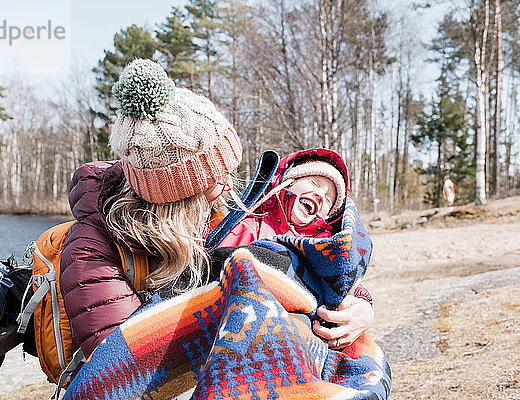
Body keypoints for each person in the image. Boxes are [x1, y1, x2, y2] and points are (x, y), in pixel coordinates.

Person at [58, 59, 371, 360]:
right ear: (179, 194)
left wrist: (359, 305)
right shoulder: (92, 250)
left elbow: (294, 268)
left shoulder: (213, 215)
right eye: (216, 179)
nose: (229, 188)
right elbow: (121, 368)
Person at [219, 148, 374, 349]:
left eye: (328, 199)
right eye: (314, 183)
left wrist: (364, 307)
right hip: (236, 325)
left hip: (295, 339)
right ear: (289, 181)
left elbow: (342, 280)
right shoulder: (246, 221)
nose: (320, 195)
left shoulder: (321, 245)